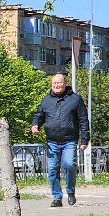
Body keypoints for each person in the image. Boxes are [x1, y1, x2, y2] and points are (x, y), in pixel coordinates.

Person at [29, 73, 89, 207]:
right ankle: (57, 197)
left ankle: (70, 191)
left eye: (59, 83)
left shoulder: (75, 99)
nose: (56, 86)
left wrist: (85, 140)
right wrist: (35, 125)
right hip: (52, 141)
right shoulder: (46, 100)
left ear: (65, 83)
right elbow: (39, 115)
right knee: (52, 169)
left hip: (70, 140)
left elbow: (83, 120)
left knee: (69, 165)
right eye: (54, 83)